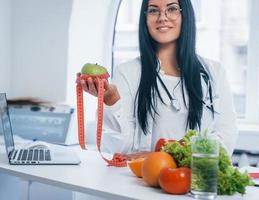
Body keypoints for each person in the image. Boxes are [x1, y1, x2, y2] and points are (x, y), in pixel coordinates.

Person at [78, 0, 238, 156]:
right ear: (145, 18)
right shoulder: (127, 72)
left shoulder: (215, 72)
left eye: (172, 8)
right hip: (141, 181)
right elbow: (121, 148)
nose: (162, 17)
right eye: (154, 10)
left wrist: (164, 156)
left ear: (185, 14)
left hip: (193, 180)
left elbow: (225, 139)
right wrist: (111, 99)